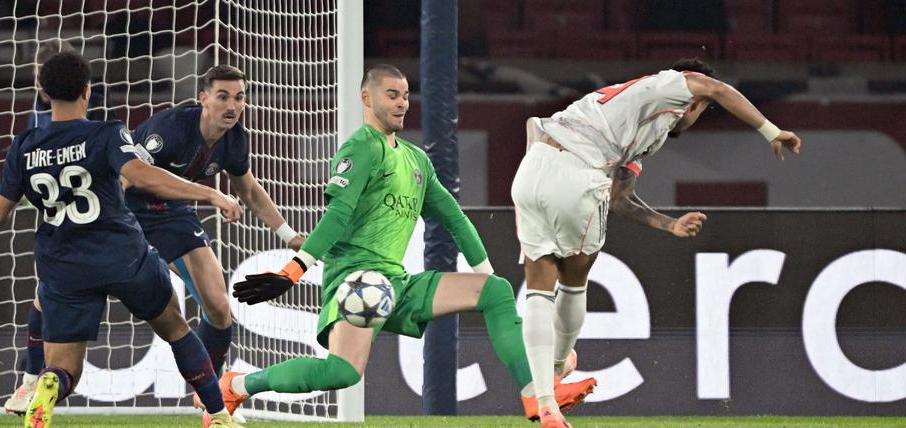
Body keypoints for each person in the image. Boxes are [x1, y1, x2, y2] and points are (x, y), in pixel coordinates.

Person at [217, 64, 596, 426]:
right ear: (367, 98)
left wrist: (485, 277)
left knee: (495, 291)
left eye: (406, 96)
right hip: (357, 283)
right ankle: (236, 385)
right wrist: (292, 271)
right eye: (392, 95)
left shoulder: (416, 160)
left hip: (397, 282)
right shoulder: (359, 149)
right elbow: (336, 217)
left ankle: (536, 394)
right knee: (341, 373)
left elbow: (455, 220)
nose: (402, 103)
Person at [512, 58, 802, 427]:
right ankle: (554, 377)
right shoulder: (669, 85)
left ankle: (544, 395)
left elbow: (619, 199)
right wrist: (771, 131)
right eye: (702, 107)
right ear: (693, 100)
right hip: (580, 171)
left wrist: (670, 225)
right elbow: (717, 88)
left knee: (539, 285)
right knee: (573, 279)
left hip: (532, 170)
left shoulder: (639, 122)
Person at [0, 51, 243, 428]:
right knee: (175, 327)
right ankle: (217, 415)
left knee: (64, 366)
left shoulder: (25, 147)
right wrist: (212, 194)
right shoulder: (107, 133)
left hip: (64, 264)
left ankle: (45, 383)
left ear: (42, 93)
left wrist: (26, 185)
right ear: (88, 90)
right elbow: (143, 175)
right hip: (121, 255)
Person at [124, 64, 304, 386]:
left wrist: (288, 236)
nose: (232, 106)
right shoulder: (168, 129)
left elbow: (248, 190)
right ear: (203, 98)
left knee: (219, 308)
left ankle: (213, 396)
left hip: (171, 214)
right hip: (126, 211)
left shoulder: (234, 139)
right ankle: (35, 377)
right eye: (223, 97)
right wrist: (212, 194)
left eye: (239, 98)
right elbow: (129, 176)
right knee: (91, 287)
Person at [4, 38, 107, 415]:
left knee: (46, 296)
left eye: (38, 73)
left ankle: (34, 381)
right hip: (81, 215)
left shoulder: (52, 116)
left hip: (79, 218)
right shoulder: (50, 112)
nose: (37, 80)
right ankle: (32, 382)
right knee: (43, 295)